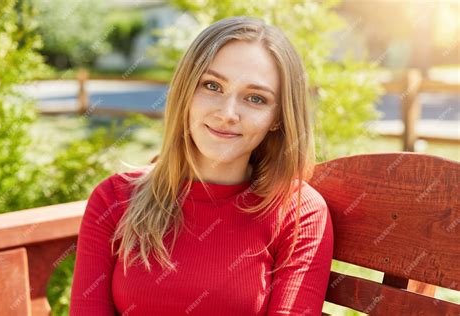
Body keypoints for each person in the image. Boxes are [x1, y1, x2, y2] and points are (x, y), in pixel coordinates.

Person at [70, 15, 334, 316]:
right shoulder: (115, 199)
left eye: (255, 98)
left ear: (278, 118)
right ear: (185, 93)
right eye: (212, 85)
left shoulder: (299, 214)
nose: (227, 113)